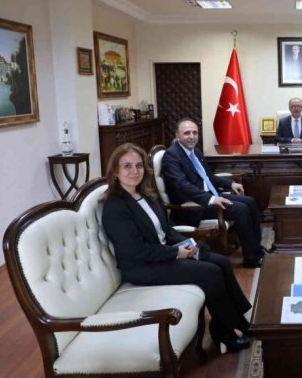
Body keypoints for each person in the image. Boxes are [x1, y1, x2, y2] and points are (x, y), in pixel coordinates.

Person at [101, 143, 253, 353]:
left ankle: (239, 321)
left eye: (139, 165)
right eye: (127, 166)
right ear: (115, 171)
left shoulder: (144, 195)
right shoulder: (115, 207)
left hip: (162, 254)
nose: (134, 171)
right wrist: (175, 253)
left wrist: (190, 244)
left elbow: (167, 229)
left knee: (221, 261)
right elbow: (135, 251)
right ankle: (225, 331)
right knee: (211, 273)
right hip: (143, 267)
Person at [161, 118, 265, 268]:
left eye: (195, 132)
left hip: (208, 196)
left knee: (250, 201)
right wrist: (211, 199)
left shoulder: (195, 152)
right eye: (187, 133)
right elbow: (181, 185)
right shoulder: (171, 156)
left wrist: (230, 183)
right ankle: (251, 258)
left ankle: (257, 249)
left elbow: (208, 177)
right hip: (193, 206)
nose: (192, 136)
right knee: (241, 209)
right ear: (177, 135)